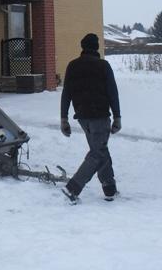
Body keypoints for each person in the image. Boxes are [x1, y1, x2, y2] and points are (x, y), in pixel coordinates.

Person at [59, 33, 122, 205]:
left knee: (100, 150)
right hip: (99, 116)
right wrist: (117, 116)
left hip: (82, 117)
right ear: (96, 47)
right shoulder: (103, 66)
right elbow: (112, 92)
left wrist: (64, 118)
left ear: (82, 47)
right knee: (98, 152)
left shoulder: (72, 66)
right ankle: (73, 187)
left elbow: (66, 94)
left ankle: (109, 188)